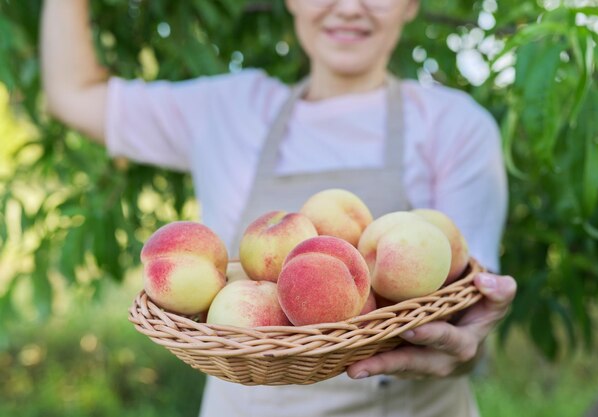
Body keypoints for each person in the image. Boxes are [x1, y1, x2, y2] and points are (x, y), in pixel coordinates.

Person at [41, 0, 517, 416]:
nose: (349, 6)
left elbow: (465, 306)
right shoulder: (230, 109)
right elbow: (71, 94)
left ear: (412, 3)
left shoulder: (455, 126)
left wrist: (466, 349)